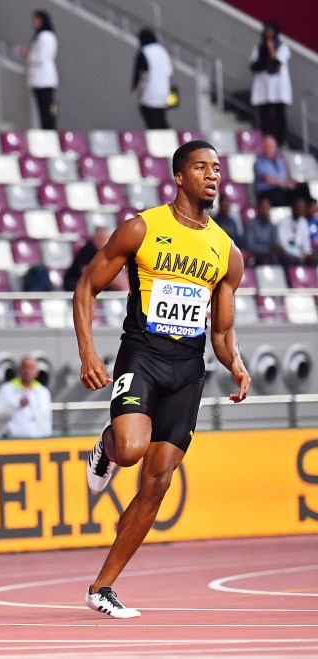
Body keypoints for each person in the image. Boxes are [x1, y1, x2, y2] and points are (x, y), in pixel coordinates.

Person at [73, 140, 251, 619]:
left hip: (188, 370)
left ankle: (102, 588)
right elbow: (88, 285)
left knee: (157, 484)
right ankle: (107, 446)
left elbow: (222, 329)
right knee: (131, 450)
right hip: (143, 357)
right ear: (179, 176)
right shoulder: (142, 228)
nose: (212, 175)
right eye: (201, 167)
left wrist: (234, 362)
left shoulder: (227, 253)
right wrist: (88, 351)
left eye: (217, 168)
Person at [250, 20, 292, 146]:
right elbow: (254, 65)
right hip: (264, 86)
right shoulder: (259, 47)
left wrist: (271, 49)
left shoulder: (283, 46)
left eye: (271, 31)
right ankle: (265, 141)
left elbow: (277, 62)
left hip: (278, 87)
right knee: (265, 116)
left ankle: (280, 141)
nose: (268, 33)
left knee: (279, 115)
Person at [0, 356, 52, 438]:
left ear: (36, 372)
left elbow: (47, 419)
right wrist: (16, 405)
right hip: (14, 442)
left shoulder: (43, 392)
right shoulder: (7, 389)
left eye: (31, 368)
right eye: (25, 368)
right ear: (20, 370)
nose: (28, 371)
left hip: (39, 443)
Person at [19, 10, 58, 130]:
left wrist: (29, 53)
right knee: (43, 109)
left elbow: (41, 57)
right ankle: (46, 129)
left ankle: (49, 130)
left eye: (36, 20)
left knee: (48, 108)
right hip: (40, 79)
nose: (34, 23)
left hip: (44, 79)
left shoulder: (45, 36)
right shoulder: (43, 36)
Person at [64, 226, 129, 292]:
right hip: (78, 283)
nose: (103, 241)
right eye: (100, 238)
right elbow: (86, 273)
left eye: (105, 238)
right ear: (94, 238)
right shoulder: (87, 250)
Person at [132, 29, 173, 130]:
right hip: (164, 92)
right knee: (161, 119)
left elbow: (139, 73)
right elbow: (169, 73)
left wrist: (134, 88)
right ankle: (167, 139)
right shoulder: (163, 51)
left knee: (151, 120)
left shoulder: (144, 51)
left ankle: (156, 140)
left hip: (149, 91)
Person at [253, 135, 308, 207]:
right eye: (267, 146)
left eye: (272, 146)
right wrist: (284, 183)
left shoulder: (279, 160)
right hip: (268, 191)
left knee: (303, 189)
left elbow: (285, 176)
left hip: (282, 189)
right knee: (278, 194)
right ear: (263, 147)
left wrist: (290, 184)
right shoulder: (259, 162)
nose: (270, 149)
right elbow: (267, 179)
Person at [276, 196, 314, 266]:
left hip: (301, 254)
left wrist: (307, 253)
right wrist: (295, 254)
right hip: (288, 253)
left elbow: (306, 242)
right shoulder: (284, 222)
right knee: (288, 258)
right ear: (293, 208)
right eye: (298, 208)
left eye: (302, 208)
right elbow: (282, 243)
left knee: (313, 258)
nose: (300, 210)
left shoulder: (304, 222)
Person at [243, 196, 279, 266]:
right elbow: (250, 246)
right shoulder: (251, 225)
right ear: (259, 209)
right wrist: (266, 250)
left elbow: (275, 244)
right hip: (255, 256)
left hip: (270, 256)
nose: (266, 211)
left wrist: (271, 250)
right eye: (264, 208)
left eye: (267, 209)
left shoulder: (272, 226)